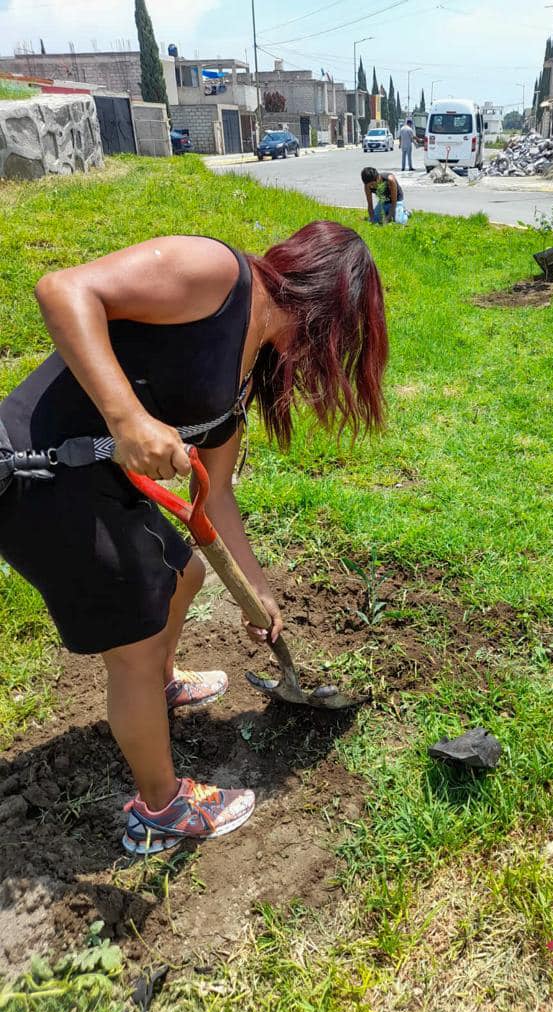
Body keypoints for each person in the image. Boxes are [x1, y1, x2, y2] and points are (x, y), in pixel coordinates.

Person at [0, 223, 388, 855]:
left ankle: (157, 685)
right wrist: (127, 417)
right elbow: (62, 289)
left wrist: (256, 594)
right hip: (38, 474)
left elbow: (220, 493)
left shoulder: (245, 368)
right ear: (326, 307)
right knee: (136, 640)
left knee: (185, 571)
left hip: (99, 481)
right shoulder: (215, 275)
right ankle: (160, 809)